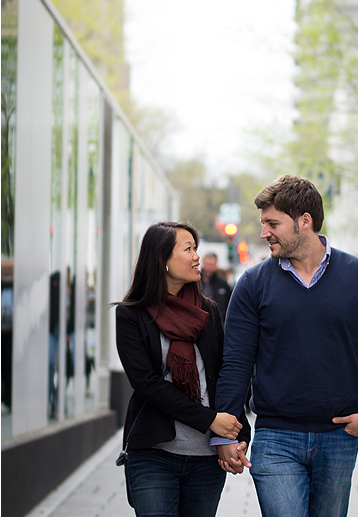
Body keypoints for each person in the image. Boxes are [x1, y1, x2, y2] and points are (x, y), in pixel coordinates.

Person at [213, 175, 358, 517]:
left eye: (273, 223)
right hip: (275, 437)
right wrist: (227, 434)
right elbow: (236, 361)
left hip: (339, 438)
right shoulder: (253, 284)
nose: (264, 232)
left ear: (304, 221)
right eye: (263, 224)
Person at [114, 221, 250, 517]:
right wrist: (209, 419)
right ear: (161, 259)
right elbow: (146, 383)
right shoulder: (130, 315)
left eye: (195, 249)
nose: (196, 257)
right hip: (153, 454)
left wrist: (237, 436)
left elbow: (225, 372)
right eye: (188, 249)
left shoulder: (208, 311)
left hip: (206, 459)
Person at [200, 253, 232, 321]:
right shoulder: (195, 282)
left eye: (211, 265)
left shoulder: (222, 284)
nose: (209, 268)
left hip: (218, 322)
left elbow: (229, 304)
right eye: (207, 264)